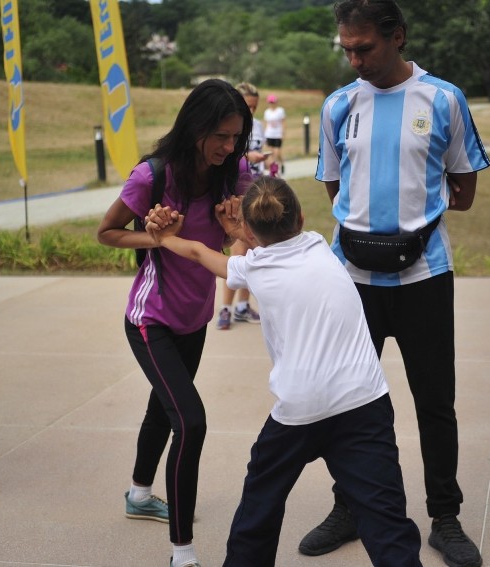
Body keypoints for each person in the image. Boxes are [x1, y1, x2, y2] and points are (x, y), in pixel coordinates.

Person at [146, 176, 423, 566]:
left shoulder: (255, 267)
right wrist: (240, 231)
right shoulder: (320, 245)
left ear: (252, 234)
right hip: (363, 400)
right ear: (302, 217)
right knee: (386, 520)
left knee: (260, 504)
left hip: (300, 411)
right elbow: (258, 247)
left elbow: (197, 253)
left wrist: (164, 238)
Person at [307, 2, 490, 566]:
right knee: (347, 400)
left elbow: (464, 188)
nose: (354, 58)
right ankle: (349, 508)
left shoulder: (442, 99)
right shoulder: (339, 104)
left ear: (398, 37)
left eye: (364, 47)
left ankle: (445, 517)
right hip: (353, 279)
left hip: (424, 275)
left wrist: (410, 220)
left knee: (435, 401)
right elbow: (334, 188)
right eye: (347, 49)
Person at [96, 78, 253, 567]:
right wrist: (155, 236)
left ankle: (140, 495)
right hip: (151, 318)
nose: (229, 148)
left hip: (194, 316)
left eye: (236, 137)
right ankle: (182, 554)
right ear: (196, 128)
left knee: (163, 409)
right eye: (221, 137)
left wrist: (237, 233)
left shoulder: (236, 172)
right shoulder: (153, 177)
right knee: (191, 421)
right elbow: (106, 233)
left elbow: (241, 249)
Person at [215, 82, 266, 330]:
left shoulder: (258, 127)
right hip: (236, 194)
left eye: (254, 107)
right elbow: (227, 156)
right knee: (238, 253)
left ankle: (243, 306)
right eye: (247, 107)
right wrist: (249, 157)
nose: (251, 112)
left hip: (255, 192)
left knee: (254, 253)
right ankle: (225, 308)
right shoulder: (227, 126)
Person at [262, 94, 286, 176]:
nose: (272, 104)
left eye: (273, 102)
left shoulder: (280, 111)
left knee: (277, 152)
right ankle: (274, 168)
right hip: (269, 134)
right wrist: (264, 135)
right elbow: (266, 123)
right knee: (271, 152)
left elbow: (283, 122)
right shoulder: (267, 112)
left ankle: (280, 164)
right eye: (270, 102)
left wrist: (283, 133)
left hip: (278, 134)